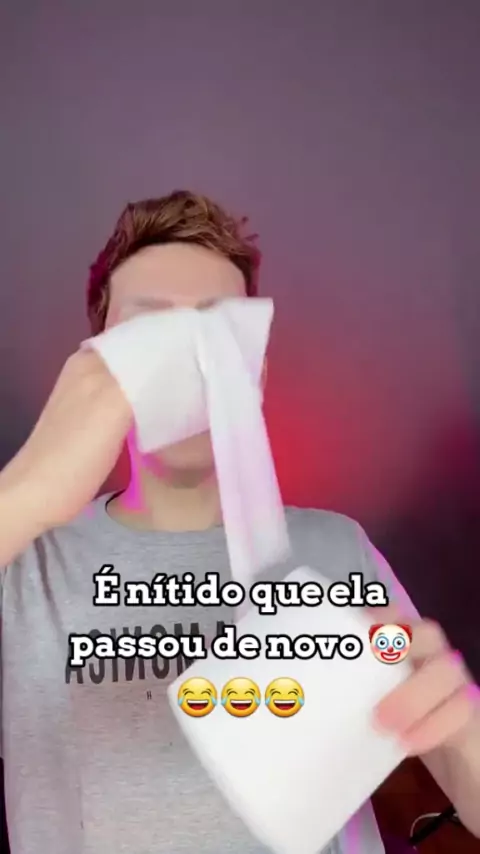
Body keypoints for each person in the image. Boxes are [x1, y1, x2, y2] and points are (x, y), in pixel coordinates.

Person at [0, 190, 479, 854]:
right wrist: (28, 490)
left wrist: (460, 738)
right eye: (151, 334)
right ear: (97, 367)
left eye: (221, 333)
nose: (192, 361)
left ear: (253, 371)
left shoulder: (338, 551)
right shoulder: (24, 562)